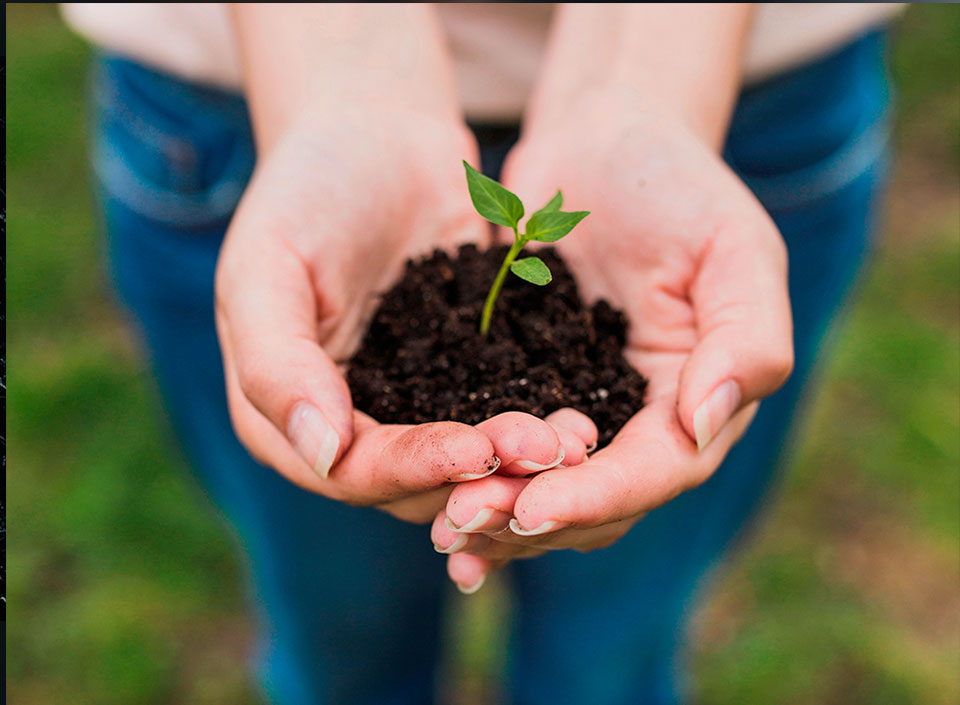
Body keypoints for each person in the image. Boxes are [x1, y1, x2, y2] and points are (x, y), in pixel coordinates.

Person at [64, 3, 901, 703]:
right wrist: (344, 89)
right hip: (242, 94)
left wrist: (641, 90)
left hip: (741, 98)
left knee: (610, 653)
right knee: (340, 639)